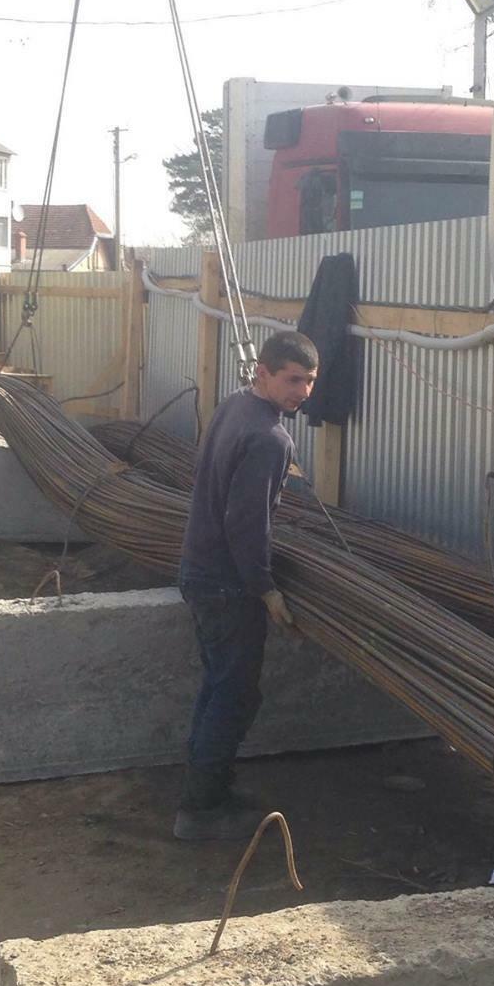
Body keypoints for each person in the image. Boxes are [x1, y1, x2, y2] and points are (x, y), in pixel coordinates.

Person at [174, 329, 320, 842]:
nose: (303, 392)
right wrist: (266, 589)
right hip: (227, 585)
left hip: (198, 569)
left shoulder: (233, 407)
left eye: (310, 381)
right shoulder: (270, 439)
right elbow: (246, 524)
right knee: (235, 695)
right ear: (262, 373)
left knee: (219, 686)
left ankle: (205, 788)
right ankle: (201, 812)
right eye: (293, 380)